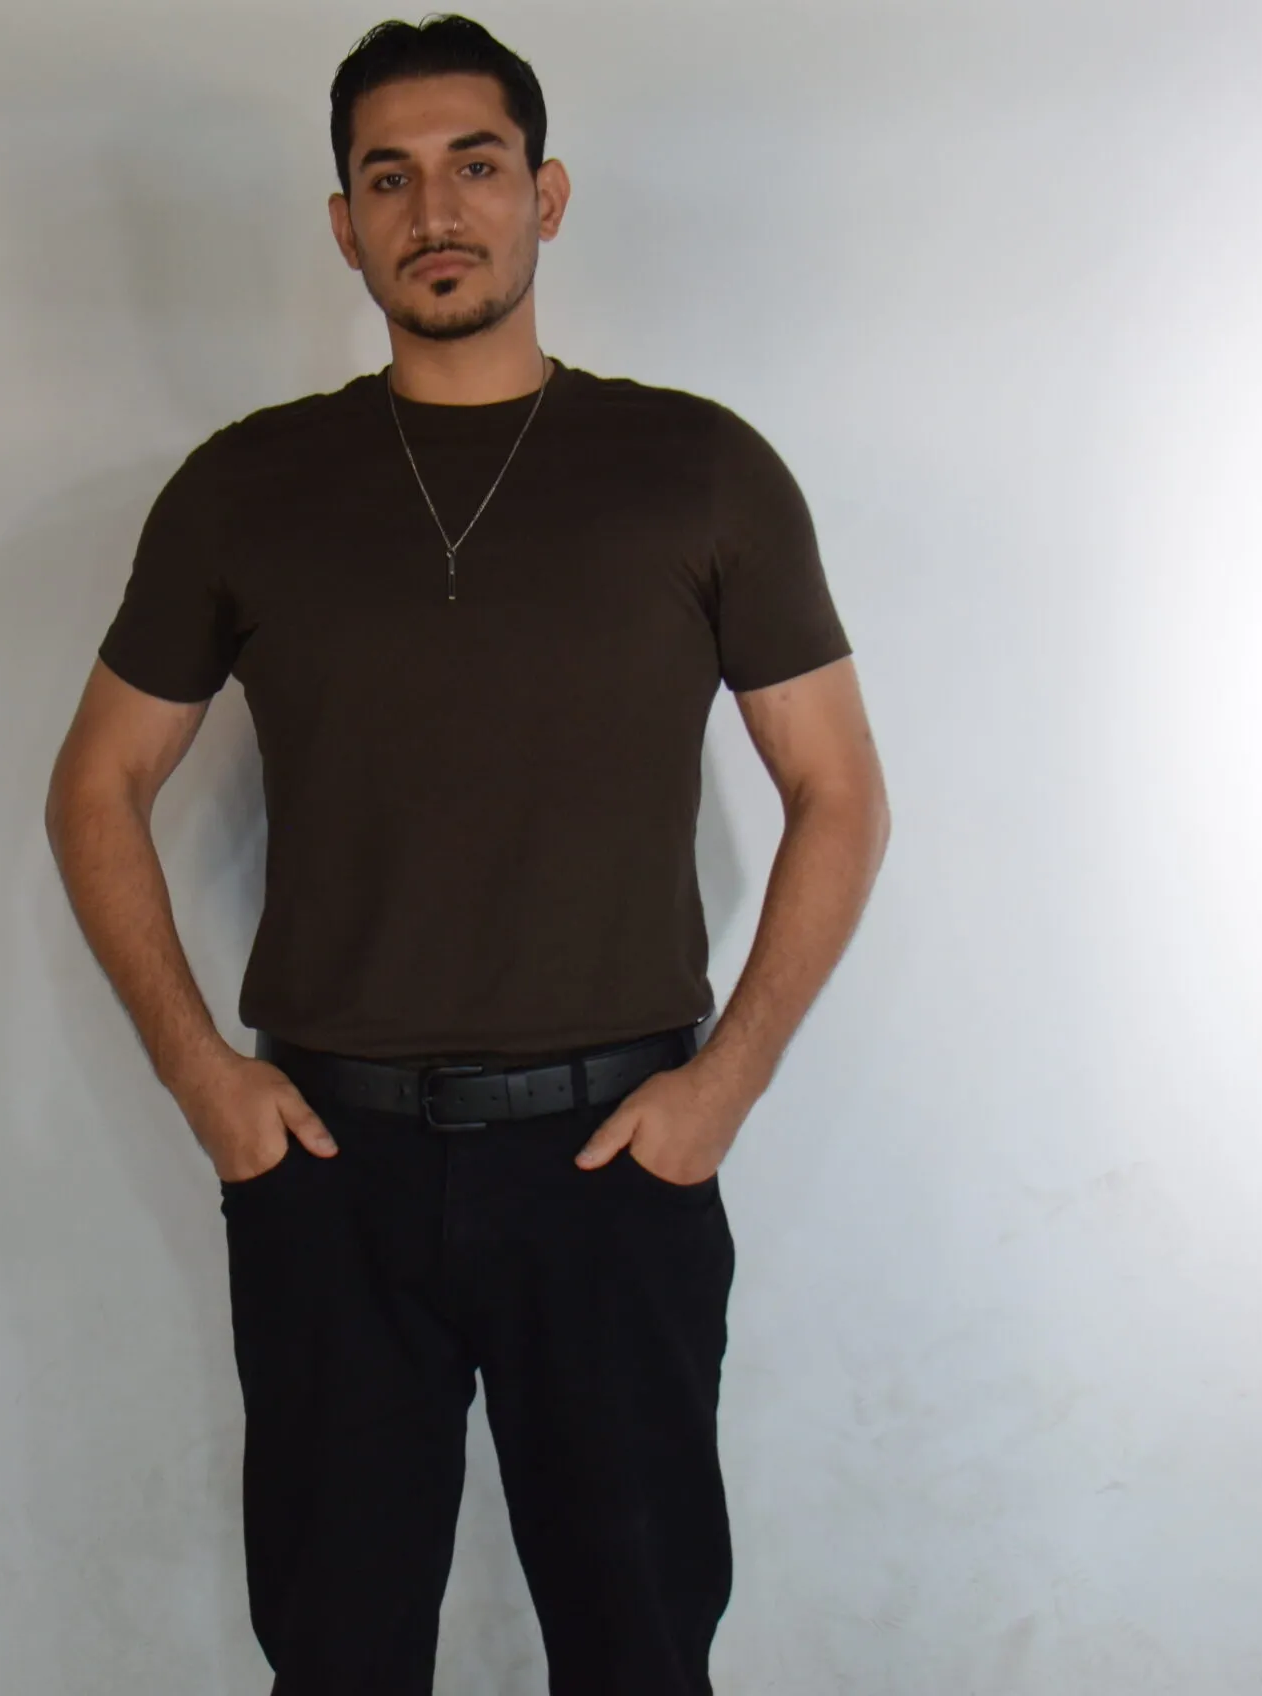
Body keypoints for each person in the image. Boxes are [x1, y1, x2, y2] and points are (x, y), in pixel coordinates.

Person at [44, 15, 889, 1693]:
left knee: (638, 1652)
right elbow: (96, 788)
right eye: (390, 178)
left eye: (476, 166)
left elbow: (839, 793)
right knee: (339, 1660)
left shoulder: (699, 471)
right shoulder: (246, 489)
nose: (436, 210)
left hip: (616, 1164)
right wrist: (209, 1084)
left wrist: (722, 1090)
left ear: (545, 197)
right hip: (331, 1172)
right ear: (344, 225)